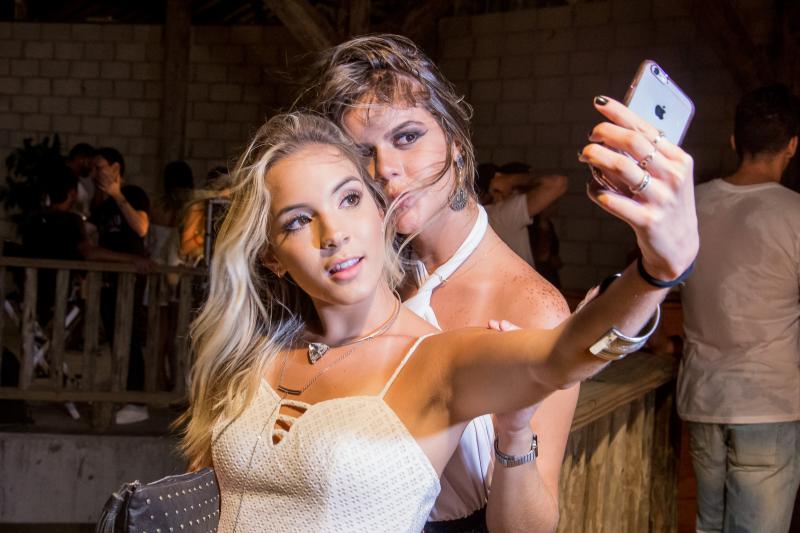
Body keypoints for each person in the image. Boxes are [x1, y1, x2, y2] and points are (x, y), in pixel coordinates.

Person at [180, 105, 697, 533]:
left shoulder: (437, 359)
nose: (333, 234)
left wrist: (656, 274)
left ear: (380, 211)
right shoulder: (254, 355)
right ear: (272, 256)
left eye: (350, 199)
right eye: (298, 220)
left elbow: (563, 355)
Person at [303, 34, 575, 530]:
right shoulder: (357, 277)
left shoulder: (534, 307)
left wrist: (514, 436)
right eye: (363, 153)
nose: (386, 169)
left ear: (455, 142)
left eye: (407, 138)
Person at [678, 84, 800, 533]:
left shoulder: (691, 204)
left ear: (734, 141)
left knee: (709, 525)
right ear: (792, 145)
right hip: (768, 404)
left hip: (702, 399)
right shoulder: (795, 214)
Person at [89, 147, 152, 424]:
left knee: (130, 336)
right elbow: (90, 237)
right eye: (93, 168)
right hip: (108, 280)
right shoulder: (100, 206)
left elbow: (141, 227)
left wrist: (116, 195)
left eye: (100, 167)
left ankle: (137, 401)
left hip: (130, 281)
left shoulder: (133, 194)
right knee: (116, 337)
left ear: (116, 168)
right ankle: (124, 393)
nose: (96, 173)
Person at [482, 161, 567, 287]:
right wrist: (510, 181)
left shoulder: (492, 218)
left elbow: (543, 256)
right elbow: (557, 183)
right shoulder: (501, 215)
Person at [63, 142, 96, 219]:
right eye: (90, 162)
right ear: (81, 159)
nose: (91, 167)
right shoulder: (61, 177)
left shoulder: (86, 180)